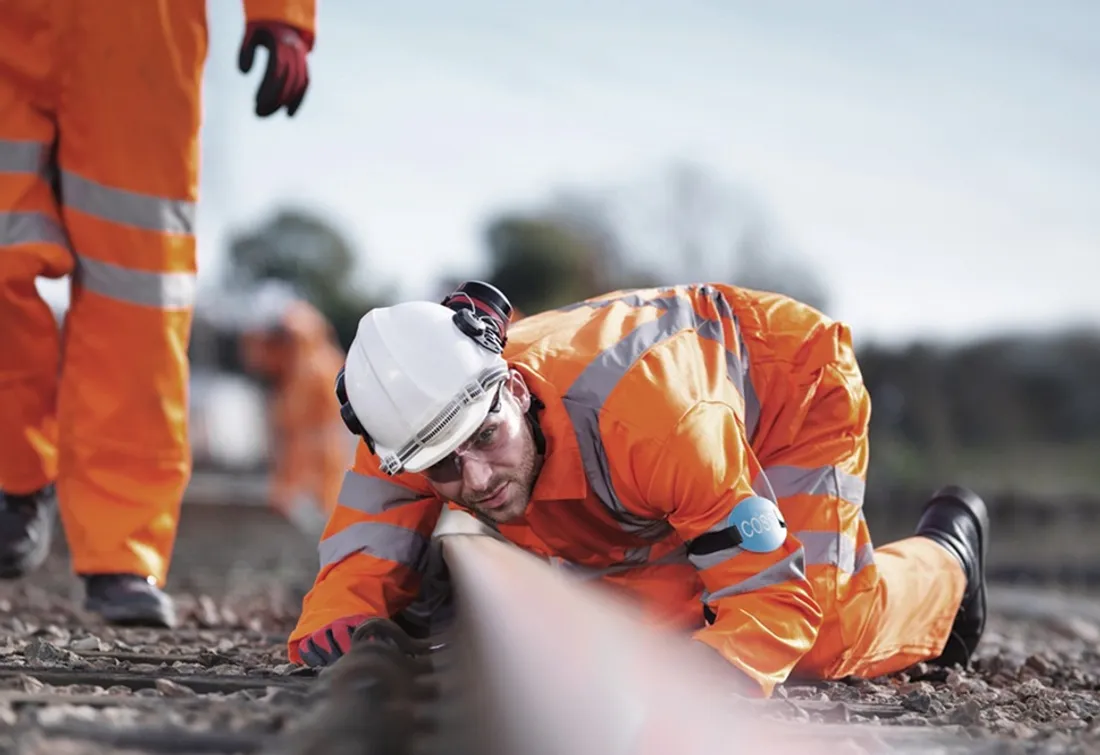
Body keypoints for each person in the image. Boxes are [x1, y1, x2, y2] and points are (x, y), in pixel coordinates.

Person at [286, 281, 989, 697]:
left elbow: (770, 595)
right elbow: (367, 534)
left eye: (486, 439)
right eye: (442, 467)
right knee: (652, 619)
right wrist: (342, 613)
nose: (475, 479)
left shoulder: (661, 425)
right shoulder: (415, 419)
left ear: (510, 388)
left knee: (818, 636)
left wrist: (701, 692)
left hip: (788, 391)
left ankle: (947, 565)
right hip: (653, 428)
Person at [0, 0, 317, 627]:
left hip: (141, 30)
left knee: (137, 300)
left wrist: (283, 14)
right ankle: (10, 478)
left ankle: (122, 553)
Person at [238, 286, 351, 539]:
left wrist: (289, 487)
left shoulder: (310, 370)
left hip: (319, 475)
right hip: (313, 471)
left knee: (320, 523)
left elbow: (307, 435)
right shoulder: (303, 366)